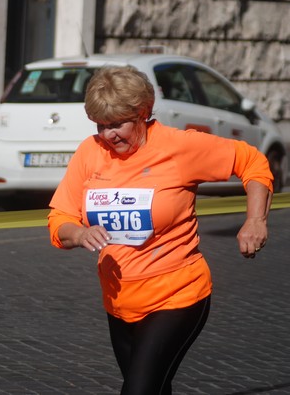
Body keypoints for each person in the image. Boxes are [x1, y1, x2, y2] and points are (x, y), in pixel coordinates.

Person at [47, 66, 273, 395]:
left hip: (176, 296)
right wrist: (79, 234)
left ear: (143, 113)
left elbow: (252, 162)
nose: (108, 135)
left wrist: (255, 220)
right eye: (101, 125)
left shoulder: (178, 147)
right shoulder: (90, 152)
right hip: (119, 302)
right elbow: (60, 219)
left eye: (117, 124)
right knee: (157, 388)